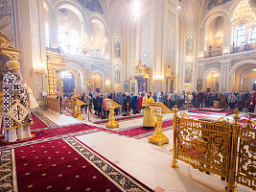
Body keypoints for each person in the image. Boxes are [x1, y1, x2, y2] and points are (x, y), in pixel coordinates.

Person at [3, 60, 33, 142]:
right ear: (14, 70)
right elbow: (18, 90)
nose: (20, 71)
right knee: (16, 120)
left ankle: (17, 136)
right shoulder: (11, 77)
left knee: (18, 120)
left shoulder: (7, 76)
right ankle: (16, 137)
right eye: (19, 70)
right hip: (14, 103)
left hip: (13, 103)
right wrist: (24, 84)